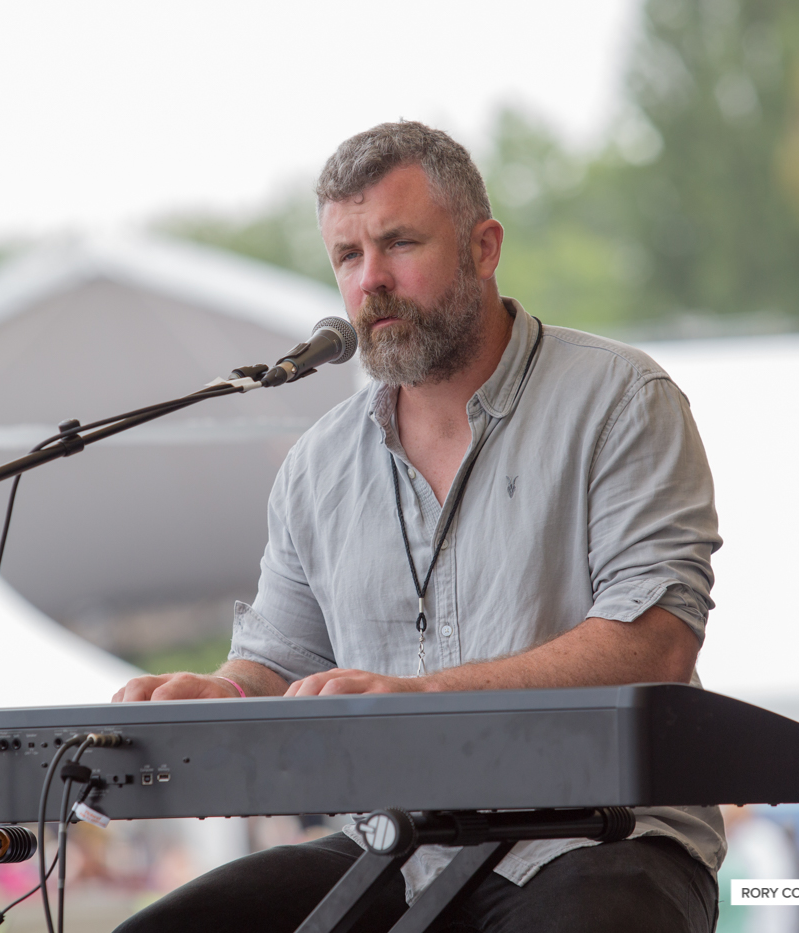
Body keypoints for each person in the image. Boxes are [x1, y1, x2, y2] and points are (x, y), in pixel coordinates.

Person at [112, 121, 723, 932]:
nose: (371, 283)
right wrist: (217, 692)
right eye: (348, 257)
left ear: (484, 246)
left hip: (598, 837)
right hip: (398, 849)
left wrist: (423, 696)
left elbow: (654, 639)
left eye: (399, 244)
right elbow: (284, 661)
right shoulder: (318, 463)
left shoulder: (621, 399)